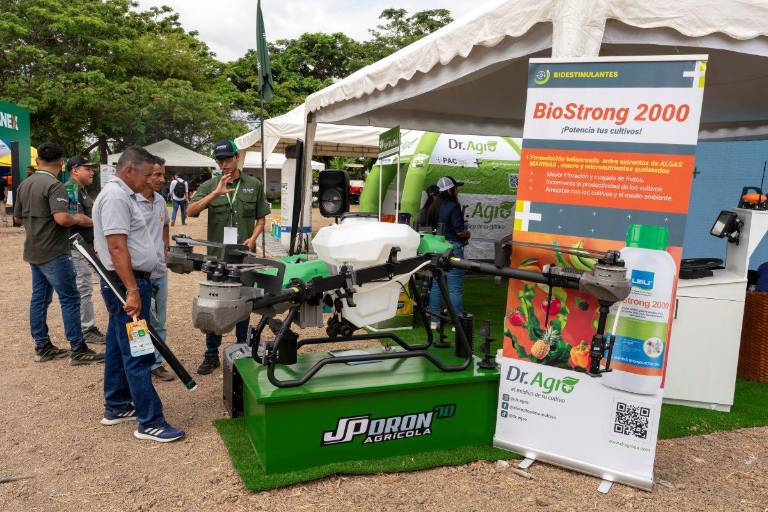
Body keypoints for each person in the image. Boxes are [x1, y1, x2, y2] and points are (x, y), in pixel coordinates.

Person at [92, 145, 184, 442]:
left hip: (129, 282)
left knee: (119, 347)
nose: (149, 180)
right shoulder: (117, 196)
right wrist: (132, 289)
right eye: (146, 174)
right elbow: (117, 246)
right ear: (128, 170)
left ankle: (117, 405)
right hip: (127, 284)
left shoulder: (124, 194)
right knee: (138, 350)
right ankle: (150, 421)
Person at [12, 142, 104, 364]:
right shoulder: (55, 186)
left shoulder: (24, 184)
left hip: (34, 250)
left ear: (37, 162)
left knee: (39, 299)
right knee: (70, 299)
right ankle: (78, 349)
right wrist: (79, 219)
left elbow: (17, 219)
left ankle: (42, 347)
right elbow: (62, 218)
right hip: (54, 250)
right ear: (61, 164)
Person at [187, 139, 270, 375]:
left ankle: (242, 350)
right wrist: (215, 193)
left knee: (243, 303)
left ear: (237, 158)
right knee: (214, 304)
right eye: (219, 160)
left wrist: (253, 238)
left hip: (243, 258)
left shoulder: (253, 185)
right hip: (216, 258)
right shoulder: (210, 184)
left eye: (227, 159)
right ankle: (211, 354)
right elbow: (190, 212)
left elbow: (261, 219)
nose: (223, 164)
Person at [136, 155, 175, 381]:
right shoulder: (130, 202)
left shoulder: (160, 200)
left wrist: (165, 249)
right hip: (139, 275)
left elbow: (165, 225)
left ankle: (157, 364)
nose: (162, 179)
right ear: (144, 175)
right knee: (140, 322)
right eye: (157, 175)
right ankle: (142, 366)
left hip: (159, 272)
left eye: (163, 174)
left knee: (159, 320)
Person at [65, 156, 106, 344]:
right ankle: (86, 328)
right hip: (76, 247)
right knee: (84, 288)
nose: (92, 172)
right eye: (87, 168)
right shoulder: (71, 189)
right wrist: (101, 223)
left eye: (92, 169)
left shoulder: (80, 190)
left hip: (86, 246)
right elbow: (76, 217)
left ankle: (87, 326)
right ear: (75, 170)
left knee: (94, 284)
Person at [427, 176, 471, 328]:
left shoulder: (434, 206)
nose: (458, 191)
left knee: (437, 285)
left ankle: (434, 321)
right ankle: (457, 323)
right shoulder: (453, 206)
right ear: (451, 190)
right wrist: (467, 233)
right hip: (453, 249)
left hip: (437, 248)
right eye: (456, 188)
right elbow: (459, 231)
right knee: (454, 288)